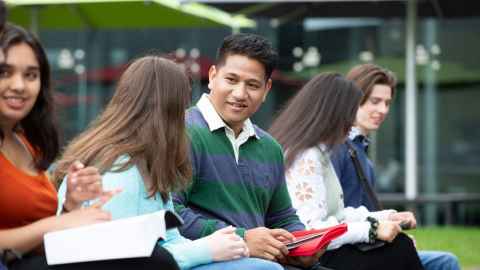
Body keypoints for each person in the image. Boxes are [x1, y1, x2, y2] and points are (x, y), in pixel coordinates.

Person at [54, 55, 283, 270]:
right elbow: (126, 260)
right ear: (166, 111)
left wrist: (219, 242)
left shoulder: (146, 162)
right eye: (181, 106)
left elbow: (170, 238)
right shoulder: (119, 169)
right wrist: (207, 249)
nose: (186, 117)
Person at [0, 24, 179, 270]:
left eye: (31, 75)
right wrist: (57, 225)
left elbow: (44, 241)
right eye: (4, 72)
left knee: (157, 260)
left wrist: (70, 206)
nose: (19, 85)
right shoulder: (123, 165)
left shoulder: (27, 144)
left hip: (36, 259)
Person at [172, 33, 325, 270]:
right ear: (212, 76)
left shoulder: (270, 147)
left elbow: (283, 217)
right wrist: (243, 239)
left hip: (264, 263)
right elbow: (171, 214)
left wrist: (302, 245)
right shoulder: (181, 132)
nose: (240, 93)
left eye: (252, 85)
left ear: (266, 89)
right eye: (231, 80)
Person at [269, 72, 426, 270]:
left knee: (401, 247)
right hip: (314, 258)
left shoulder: (320, 152)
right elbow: (311, 229)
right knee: (401, 248)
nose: (352, 122)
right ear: (334, 113)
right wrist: (372, 229)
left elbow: (338, 214)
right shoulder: (306, 156)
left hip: (325, 252)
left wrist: (385, 217)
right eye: (350, 112)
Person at [330, 63, 461, 270]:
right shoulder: (334, 149)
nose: (382, 110)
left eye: (387, 103)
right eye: (375, 101)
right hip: (345, 251)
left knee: (445, 261)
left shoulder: (361, 154)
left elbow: (372, 217)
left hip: (365, 245)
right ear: (353, 99)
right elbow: (334, 218)